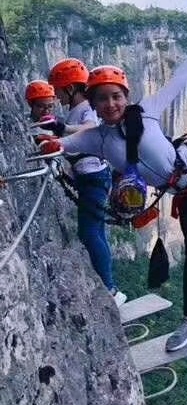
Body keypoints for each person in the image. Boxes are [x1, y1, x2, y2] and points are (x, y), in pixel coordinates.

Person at [37, 22, 187, 351]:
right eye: (102, 99)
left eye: (116, 96)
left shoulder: (148, 111)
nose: (110, 104)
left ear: (126, 96)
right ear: (93, 104)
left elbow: (177, 84)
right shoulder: (98, 139)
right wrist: (52, 144)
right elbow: (69, 142)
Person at [45, 58, 126, 307]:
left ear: (70, 88)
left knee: (89, 233)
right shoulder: (77, 110)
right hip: (89, 176)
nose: (57, 96)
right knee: (96, 231)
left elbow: (89, 128)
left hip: (93, 176)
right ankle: (110, 285)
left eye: (59, 90)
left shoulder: (86, 110)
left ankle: (110, 289)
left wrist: (61, 128)